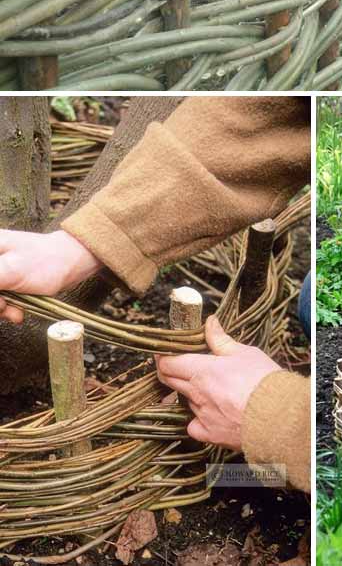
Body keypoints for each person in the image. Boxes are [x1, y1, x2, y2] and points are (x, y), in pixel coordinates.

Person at [0, 95, 311, 493]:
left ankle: (274, 478)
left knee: (271, 477)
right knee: (310, 299)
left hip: (289, 462)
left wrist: (273, 418)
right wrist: (77, 246)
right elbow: (268, 117)